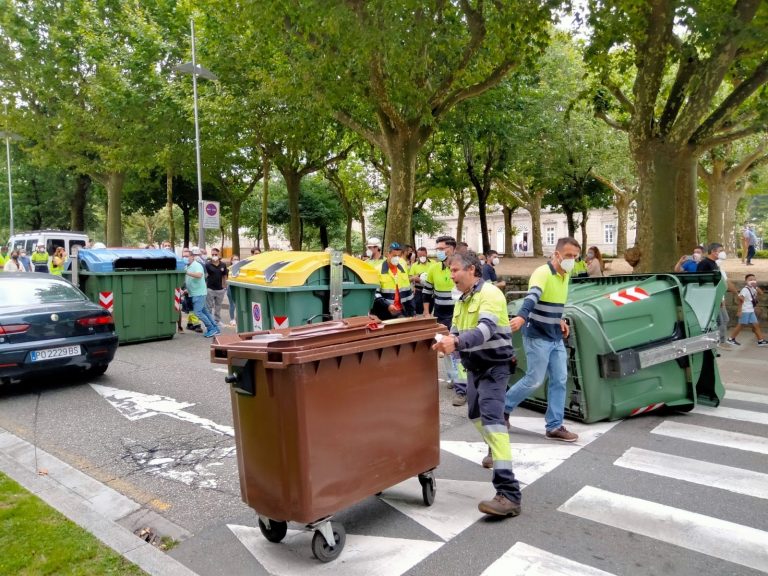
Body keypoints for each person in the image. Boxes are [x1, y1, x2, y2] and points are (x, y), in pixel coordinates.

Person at [432, 251, 521, 517]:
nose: (452, 275)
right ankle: (496, 447)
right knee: (476, 415)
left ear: (472, 270)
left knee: (492, 421)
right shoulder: (462, 300)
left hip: (496, 367)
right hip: (475, 369)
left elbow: (486, 330)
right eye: (450, 271)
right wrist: (441, 336)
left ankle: (509, 494)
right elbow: (457, 332)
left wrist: (456, 342)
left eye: (456, 269)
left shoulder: (491, 294)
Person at [505, 237, 581, 443]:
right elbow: (533, 296)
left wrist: (560, 319)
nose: (572, 260)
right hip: (538, 335)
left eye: (575, 256)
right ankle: (503, 408)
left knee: (560, 379)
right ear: (557, 254)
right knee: (535, 379)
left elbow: (555, 302)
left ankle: (554, 426)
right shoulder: (543, 272)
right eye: (568, 256)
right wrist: (521, 316)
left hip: (555, 336)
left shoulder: (567, 274)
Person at [423, 235, 466, 406]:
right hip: (440, 315)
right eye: (437, 249)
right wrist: (426, 312)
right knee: (446, 350)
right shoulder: (434, 268)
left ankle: (461, 390)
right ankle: (454, 378)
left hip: (459, 314)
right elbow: (427, 292)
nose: (439, 252)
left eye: (442, 249)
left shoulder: (461, 267)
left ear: (452, 249)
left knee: (458, 352)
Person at [371, 242, 415, 320]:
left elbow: (408, 292)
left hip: (402, 310)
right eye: (394, 255)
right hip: (384, 312)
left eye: (399, 256)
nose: (397, 258)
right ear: (387, 254)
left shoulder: (403, 269)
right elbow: (375, 293)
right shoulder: (378, 270)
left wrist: (412, 312)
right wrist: (388, 305)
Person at [185, 247, 219, 338]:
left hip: (199, 293)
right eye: (184, 256)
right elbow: (190, 280)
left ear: (192, 256)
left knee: (198, 313)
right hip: (195, 292)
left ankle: (211, 328)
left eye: (187, 256)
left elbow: (199, 275)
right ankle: (216, 328)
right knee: (205, 312)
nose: (185, 258)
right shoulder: (188, 266)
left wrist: (187, 273)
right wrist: (187, 289)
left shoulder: (196, 265)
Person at [727, 274, 767, 347]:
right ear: (746, 281)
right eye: (750, 279)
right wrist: (739, 311)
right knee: (741, 325)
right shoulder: (745, 290)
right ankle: (731, 339)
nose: (752, 281)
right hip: (745, 310)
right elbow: (740, 300)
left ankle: (761, 340)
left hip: (751, 310)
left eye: (754, 279)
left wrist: (756, 287)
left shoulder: (754, 288)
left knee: (756, 325)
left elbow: (761, 293)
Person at [205, 248, 228, 325]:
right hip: (210, 289)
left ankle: (217, 320)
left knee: (218, 306)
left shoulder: (223, 265)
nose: (214, 256)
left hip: (220, 289)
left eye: (216, 254)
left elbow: (225, 275)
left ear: (219, 255)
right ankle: (209, 322)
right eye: (212, 255)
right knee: (209, 307)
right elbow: (204, 275)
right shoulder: (207, 264)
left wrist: (224, 286)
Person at [408, 247, 431, 315]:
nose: (422, 257)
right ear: (417, 255)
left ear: (426, 254)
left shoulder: (433, 263)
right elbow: (409, 279)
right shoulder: (414, 265)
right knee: (419, 312)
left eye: (423, 255)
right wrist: (414, 278)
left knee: (429, 312)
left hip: (430, 291)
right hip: (419, 291)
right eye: (420, 256)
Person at [227, 255, 240, 326]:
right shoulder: (229, 269)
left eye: (237, 259)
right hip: (231, 287)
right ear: (231, 261)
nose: (236, 260)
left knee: (239, 304)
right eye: (234, 259)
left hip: (238, 288)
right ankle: (232, 319)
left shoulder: (241, 268)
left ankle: (238, 318)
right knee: (232, 304)